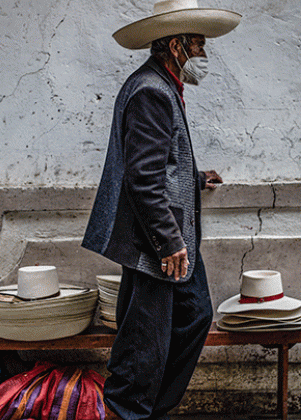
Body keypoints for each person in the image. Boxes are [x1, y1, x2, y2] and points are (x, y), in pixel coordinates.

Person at [82, 1, 240, 418]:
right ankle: (127, 410)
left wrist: (195, 177)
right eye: (199, 46)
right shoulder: (151, 90)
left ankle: (150, 409)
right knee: (144, 342)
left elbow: (160, 163)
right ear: (176, 46)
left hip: (170, 235)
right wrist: (169, 243)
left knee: (193, 318)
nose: (204, 56)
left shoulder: (163, 85)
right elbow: (143, 179)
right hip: (156, 241)